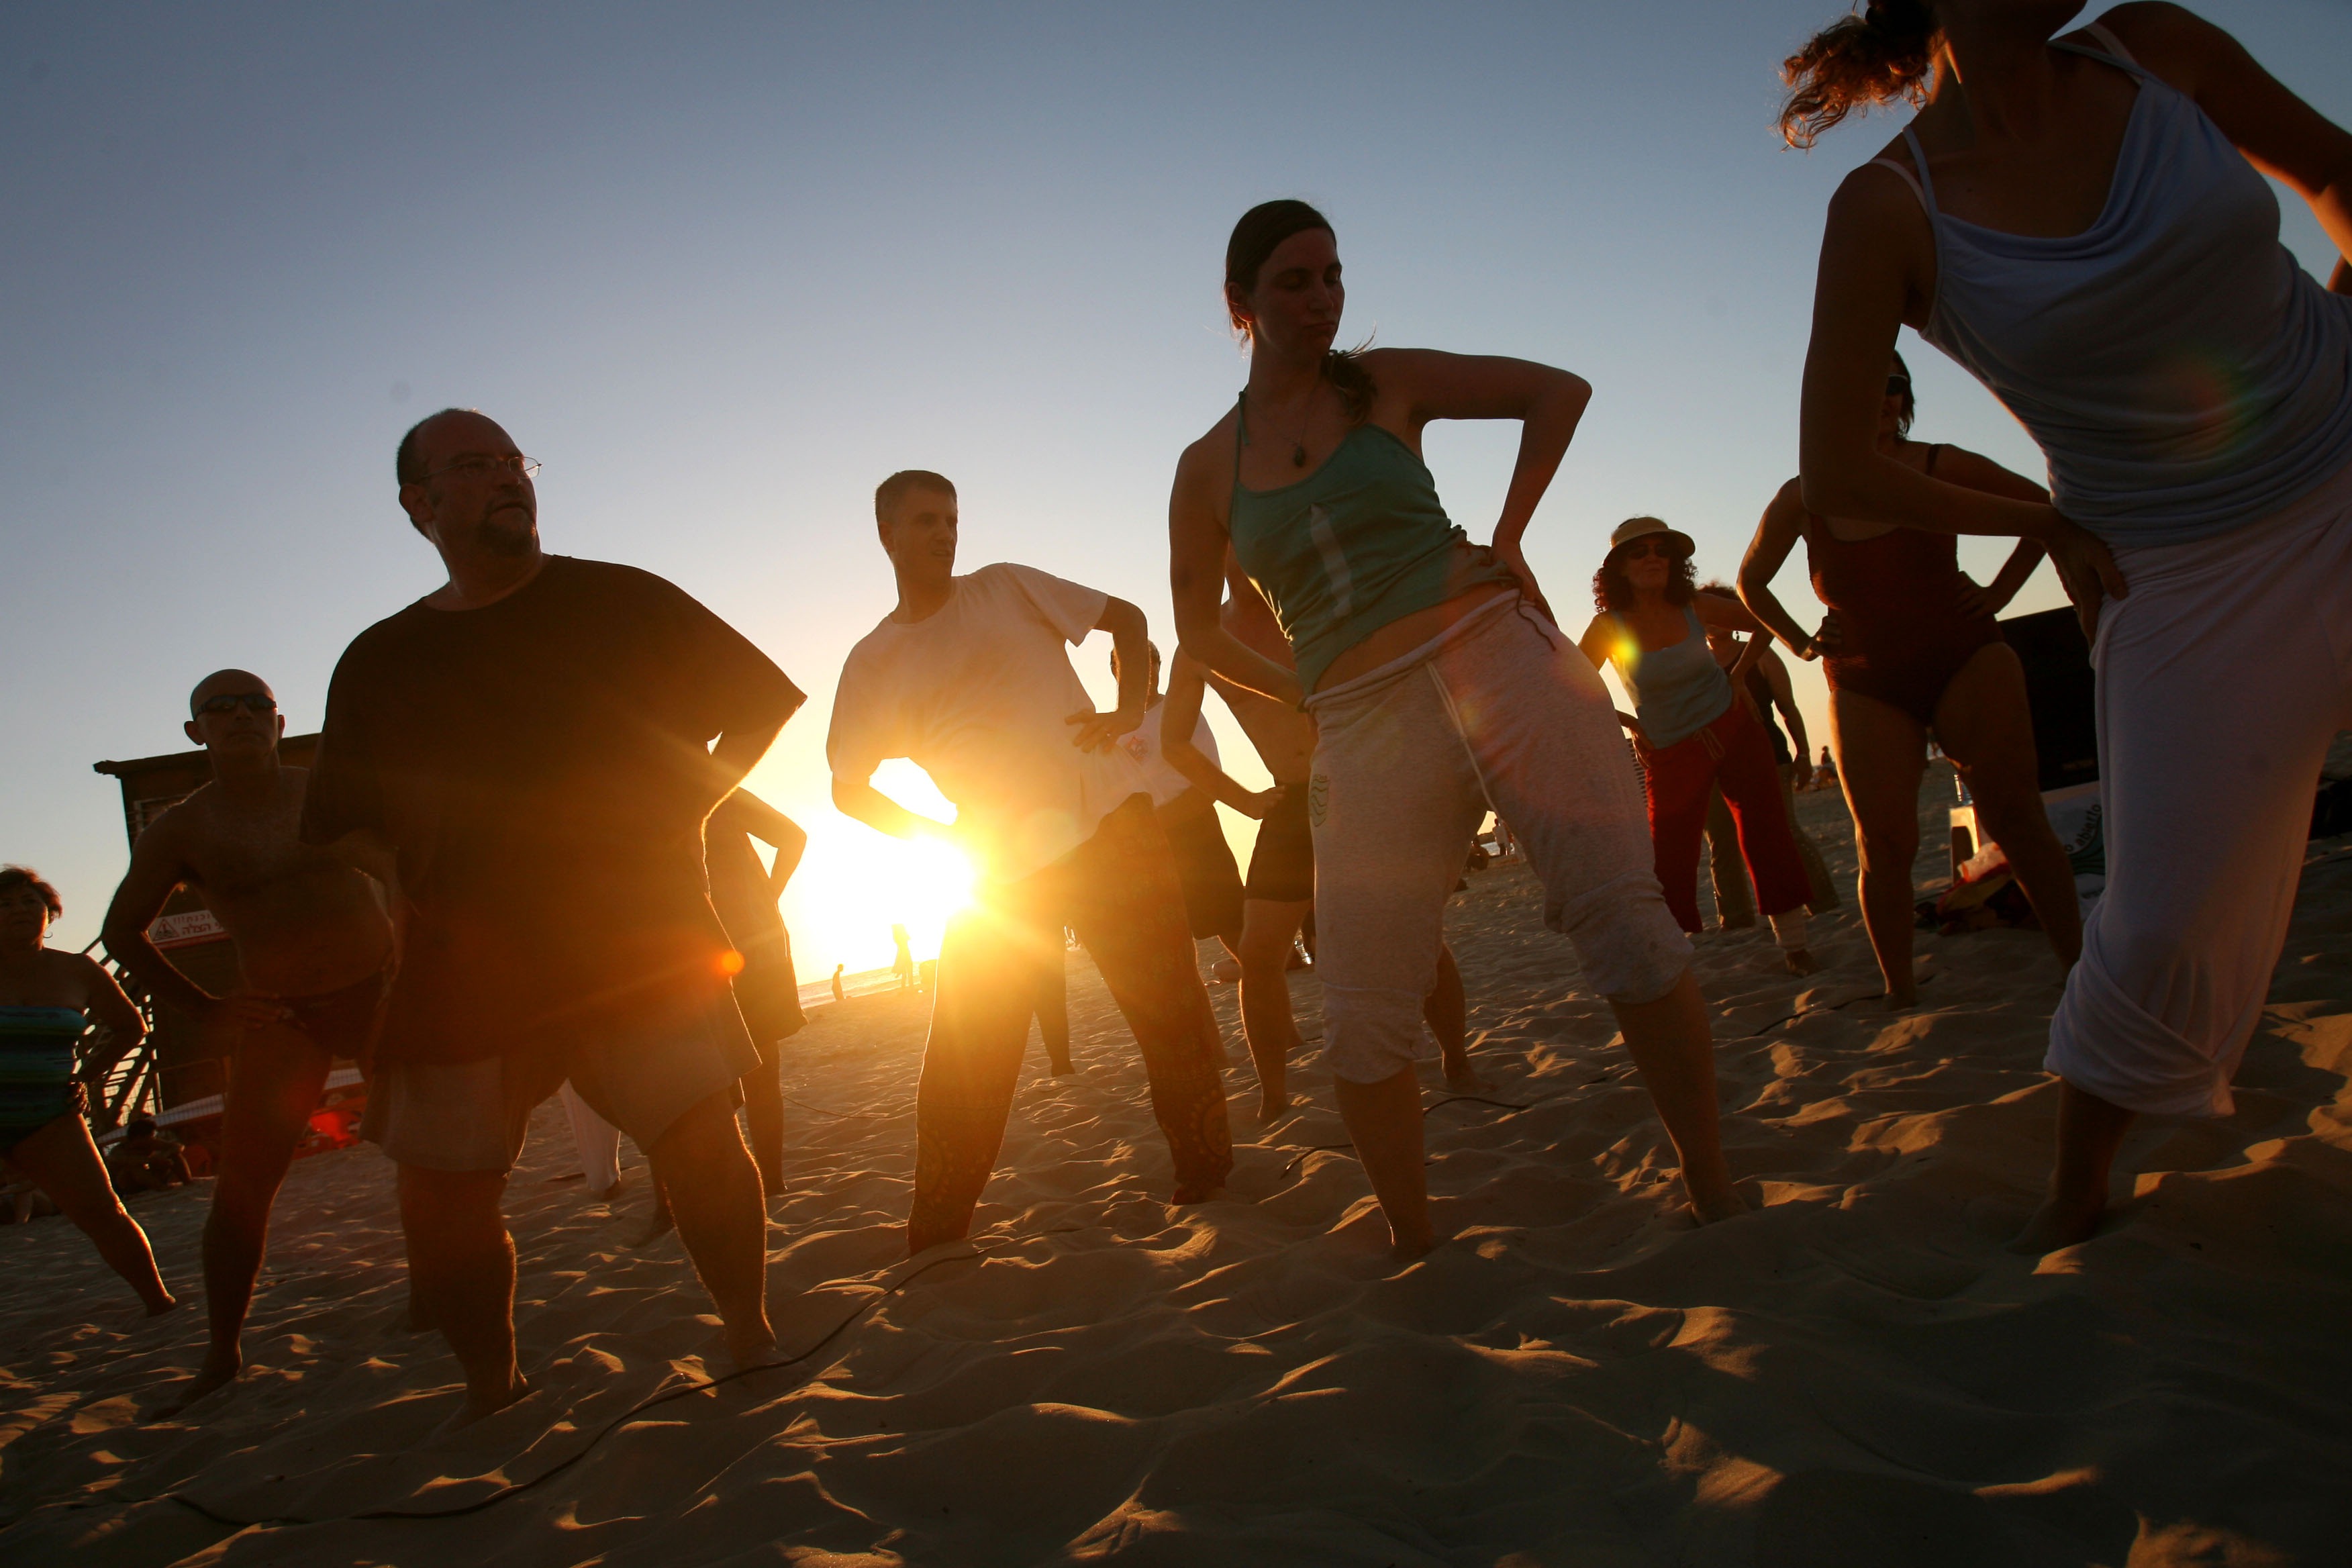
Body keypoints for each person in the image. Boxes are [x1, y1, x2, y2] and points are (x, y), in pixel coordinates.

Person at [1778, 3, 2352, 1250]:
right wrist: (2041, 524)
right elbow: (1833, 471)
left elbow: (2334, 172)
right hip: (2179, 573)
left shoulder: (2152, 48)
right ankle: (2075, 1192)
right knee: (2152, 923)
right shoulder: (1889, 209)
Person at [1169, 200, 1743, 1256]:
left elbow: (1555, 393)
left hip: (1494, 649)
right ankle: (1415, 1244)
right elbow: (1194, 624)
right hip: (1360, 717)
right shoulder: (1207, 466)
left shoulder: (1388, 382)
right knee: (1363, 1005)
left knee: (1621, 914)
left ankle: (1711, 1184)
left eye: (1333, 275)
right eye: (1294, 281)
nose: (1322, 298)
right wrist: (1305, 680)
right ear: (1240, 302)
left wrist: (1514, 533)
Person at [301, 408, 803, 1423]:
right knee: (441, 1200)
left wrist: (685, 801)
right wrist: (416, 883)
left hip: (633, 921)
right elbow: (341, 824)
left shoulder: (618, 597)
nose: (506, 478)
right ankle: (496, 1387)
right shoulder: (380, 659)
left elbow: (760, 699)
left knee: (701, 1139)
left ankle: (751, 1336)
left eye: (514, 461)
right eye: (473, 465)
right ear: (419, 503)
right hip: (464, 951)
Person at [829, 470, 1233, 1254]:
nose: (945, 532)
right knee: (966, 1051)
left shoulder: (1008, 586)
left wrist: (1129, 706)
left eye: (951, 517)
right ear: (887, 535)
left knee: (1170, 1007)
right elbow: (849, 789)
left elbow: (1130, 618)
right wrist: (935, 837)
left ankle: (1208, 1171)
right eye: (924, 521)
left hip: (1113, 824)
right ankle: (937, 1229)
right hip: (996, 870)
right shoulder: (874, 660)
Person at [101, 668, 399, 1410]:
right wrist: (206, 1006)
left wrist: (411, 956)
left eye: (255, 704)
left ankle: (435, 1292)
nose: (240, 716)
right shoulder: (184, 827)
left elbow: (401, 867)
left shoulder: (321, 790)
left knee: (426, 1150)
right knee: (241, 1190)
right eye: (219, 707)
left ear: (277, 718)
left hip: (376, 993)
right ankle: (222, 1348)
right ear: (195, 731)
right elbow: (121, 931)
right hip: (281, 1015)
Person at [1739, 360, 2079, 1005]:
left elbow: (2043, 512)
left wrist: (1998, 593)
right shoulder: (1804, 495)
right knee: (1885, 845)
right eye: (1865, 383)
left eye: (1893, 385)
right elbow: (1752, 582)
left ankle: (2079, 967)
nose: (1880, 396)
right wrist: (1800, 639)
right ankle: (1899, 991)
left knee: (2015, 817)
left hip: (1966, 657)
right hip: (1866, 679)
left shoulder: (1938, 465)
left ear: (1903, 401)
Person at [1159, 559, 1484, 1116]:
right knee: (1259, 955)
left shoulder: (1315, 607)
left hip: (1363, 789)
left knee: (1418, 940)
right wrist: (1245, 800)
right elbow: (1173, 743)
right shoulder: (1201, 639)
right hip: (1290, 802)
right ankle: (1274, 1097)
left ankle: (1457, 1059)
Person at [1578, 521, 1822, 976]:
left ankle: (1795, 946)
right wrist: (1628, 722)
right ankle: (1673, 959)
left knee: (1765, 832)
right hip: (1670, 749)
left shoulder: (1694, 605)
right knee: (1670, 855)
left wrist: (1738, 675)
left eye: (1662, 550)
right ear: (1620, 569)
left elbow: (1765, 622)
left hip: (1733, 728)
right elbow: (1570, 686)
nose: (1653, 558)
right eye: (1640, 553)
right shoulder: (1608, 626)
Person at [0, 867, 176, 1314]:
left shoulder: (77, 970)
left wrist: (86, 1077)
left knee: (105, 1214)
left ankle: (160, 1303)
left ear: (50, 913)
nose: (18, 911)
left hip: (50, 1117)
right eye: (3, 905)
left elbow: (129, 1028)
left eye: (29, 902)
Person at [1694, 587, 1840, 925]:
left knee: (1784, 832)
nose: (1714, 622)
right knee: (1721, 842)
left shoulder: (1758, 654)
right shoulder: (1695, 665)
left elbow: (1787, 708)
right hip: (1712, 762)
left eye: (1723, 613)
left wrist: (1804, 755)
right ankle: (1735, 918)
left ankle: (1822, 903)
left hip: (1768, 754)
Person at [1110, 642, 1248, 967]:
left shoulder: (1179, 709)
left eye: (1151, 662)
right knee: (1168, 936)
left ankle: (1271, 967)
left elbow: (1207, 784)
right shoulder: (1112, 732)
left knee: (1230, 922)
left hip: (1196, 830)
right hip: (1147, 848)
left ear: (1159, 667)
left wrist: (1155, 823)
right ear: (1116, 671)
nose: (1144, 670)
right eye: (1130, 663)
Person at [103, 1117, 191, 1193]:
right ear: (139, 1137)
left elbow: (178, 1146)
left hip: (148, 1179)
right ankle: (160, 1187)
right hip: (126, 1186)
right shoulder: (118, 1151)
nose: (153, 1139)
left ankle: (188, 1182)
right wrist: (153, 1159)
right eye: (151, 1137)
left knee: (174, 1155)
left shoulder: (150, 1144)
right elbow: (132, 1161)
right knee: (133, 1167)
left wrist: (165, 1155)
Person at [890, 925, 915, 991]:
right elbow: (908, 938)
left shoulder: (898, 938)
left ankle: (905, 988)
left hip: (903, 956)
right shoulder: (901, 939)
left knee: (905, 974)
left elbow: (908, 938)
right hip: (905, 955)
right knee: (908, 973)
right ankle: (909, 987)